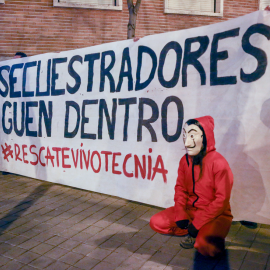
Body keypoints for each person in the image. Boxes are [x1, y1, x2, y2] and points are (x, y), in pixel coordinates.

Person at [150, 116, 233, 257]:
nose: (187, 142)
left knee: (205, 247)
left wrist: (200, 222)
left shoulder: (219, 163)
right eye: (185, 136)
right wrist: (180, 213)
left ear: (205, 136)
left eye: (192, 135)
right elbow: (180, 188)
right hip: (190, 210)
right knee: (156, 222)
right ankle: (193, 229)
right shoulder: (185, 161)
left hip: (215, 215)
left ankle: (204, 232)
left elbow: (221, 200)